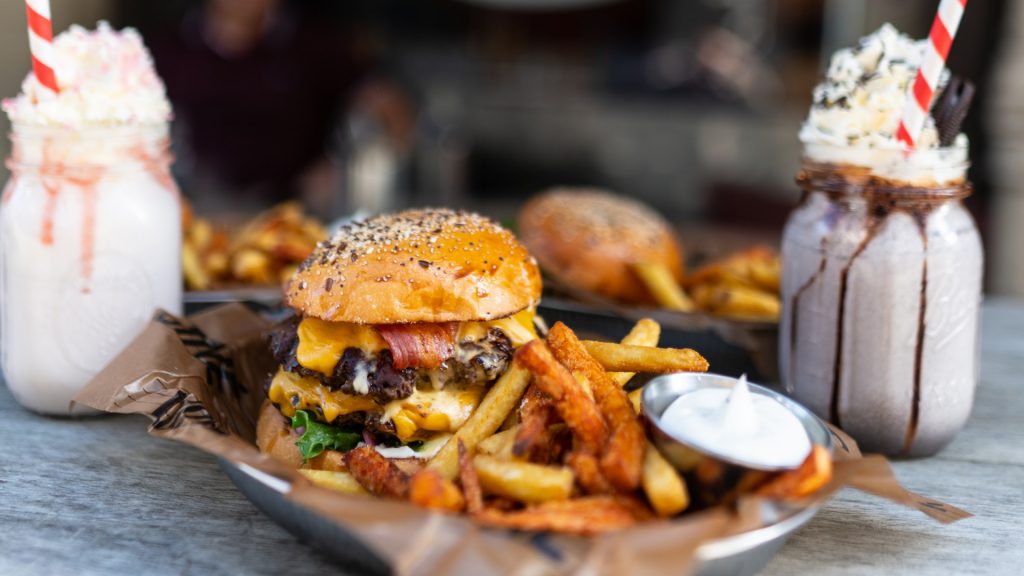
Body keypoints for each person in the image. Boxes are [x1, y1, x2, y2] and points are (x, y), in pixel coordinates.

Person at [148, 0, 414, 217]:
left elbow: (389, 105)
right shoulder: (168, 50)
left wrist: (341, 169)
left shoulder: (313, 44)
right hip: (195, 213)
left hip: (296, 214)